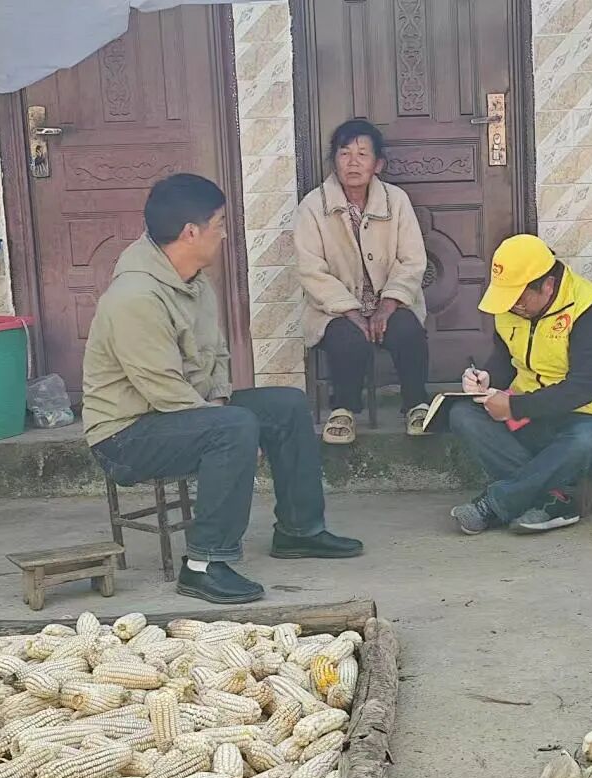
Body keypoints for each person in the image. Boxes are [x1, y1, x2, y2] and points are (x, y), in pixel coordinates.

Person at [82, 173, 362, 605]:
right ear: (190, 232)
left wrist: (220, 403)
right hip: (125, 435)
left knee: (286, 405)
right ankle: (203, 564)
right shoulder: (135, 297)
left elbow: (215, 355)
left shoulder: (193, 280)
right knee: (234, 427)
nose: (225, 234)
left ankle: (299, 530)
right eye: (219, 224)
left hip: (179, 413)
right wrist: (226, 422)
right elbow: (162, 388)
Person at [448, 234, 592, 535]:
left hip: (590, 420)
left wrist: (513, 406)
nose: (512, 306)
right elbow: (506, 360)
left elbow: (582, 389)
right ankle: (557, 496)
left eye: (519, 298)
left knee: (587, 441)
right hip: (531, 419)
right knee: (463, 415)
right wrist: (487, 379)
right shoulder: (511, 308)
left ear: (547, 285)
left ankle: (494, 505)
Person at [293, 119, 430, 444]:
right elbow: (311, 269)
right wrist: (350, 310)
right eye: (344, 154)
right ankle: (343, 409)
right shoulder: (312, 206)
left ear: (377, 164)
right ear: (334, 161)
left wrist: (388, 304)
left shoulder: (396, 201)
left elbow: (412, 260)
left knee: (408, 329)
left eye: (362, 154)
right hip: (334, 309)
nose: (353, 163)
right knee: (347, 338)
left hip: (390, 302)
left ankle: (416, 403)